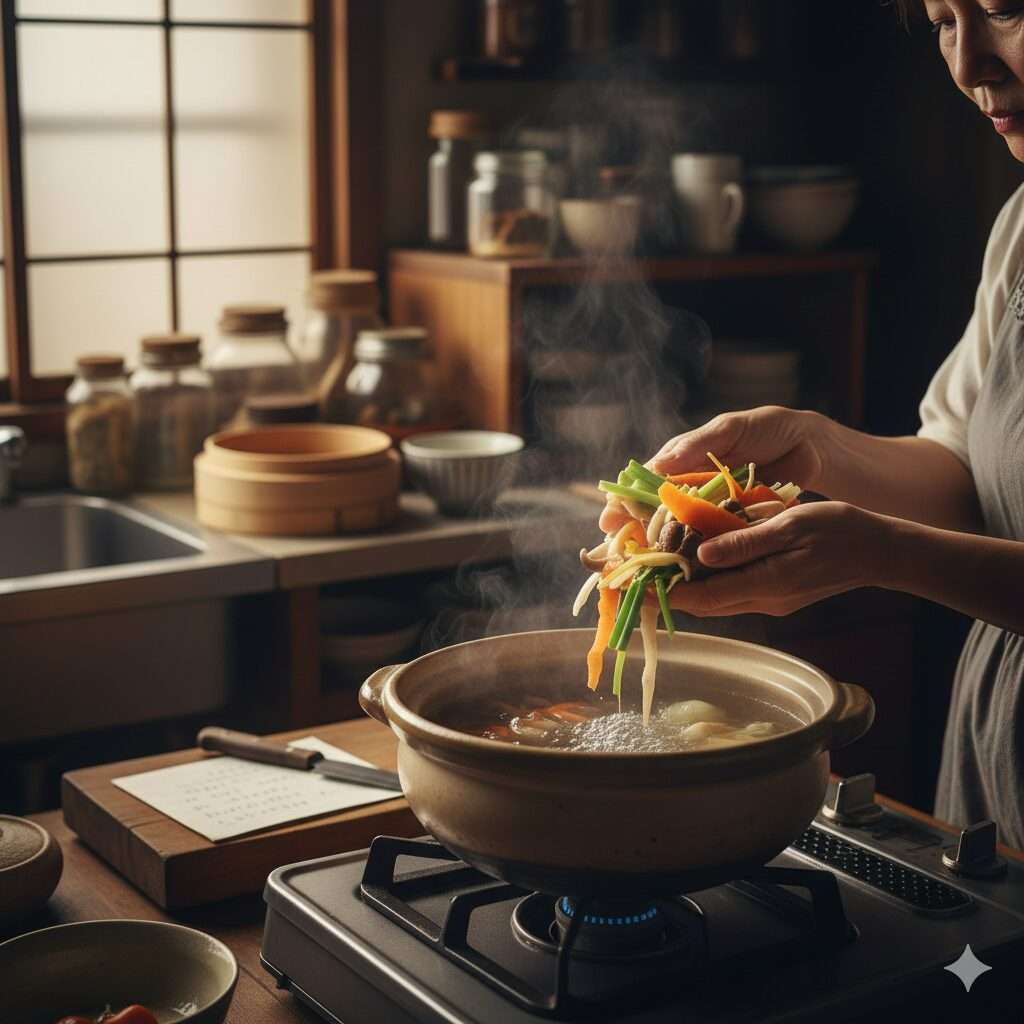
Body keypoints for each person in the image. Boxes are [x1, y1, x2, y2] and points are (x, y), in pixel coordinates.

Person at [602, 0, 1024, 848]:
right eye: (943, 21)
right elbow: (965, 474)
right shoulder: (1020, 227)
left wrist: (882, 554)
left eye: (1003, 8)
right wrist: (812, 448)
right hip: (997, 757)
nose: (968, 65)